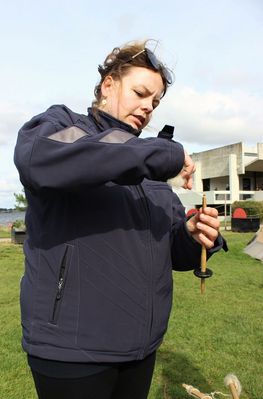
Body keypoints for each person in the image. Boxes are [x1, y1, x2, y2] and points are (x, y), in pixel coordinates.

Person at [14, 40, 226, 399]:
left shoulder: (146, 164)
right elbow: (37, 158)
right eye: (141, 93)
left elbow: (172, 249)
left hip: (139, 351)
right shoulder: (65, 125)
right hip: (73, 353)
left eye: (155, 102)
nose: (147, 107)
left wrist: (191, 235)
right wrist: (166, 153)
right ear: (109, 85)